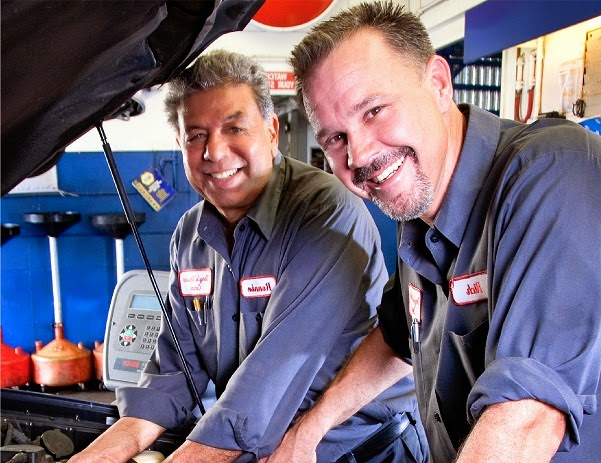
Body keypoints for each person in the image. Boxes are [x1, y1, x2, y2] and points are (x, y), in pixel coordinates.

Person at [264, 2, 601, 462]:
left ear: (439, 84)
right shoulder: (421, 217)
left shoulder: (551, 172)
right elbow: (395, 337)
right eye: (336, 138)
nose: (359, 155)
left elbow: (525, 418)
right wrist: (309, 431)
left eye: (374, 111)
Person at [68, 50, 428, 463]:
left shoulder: (324, 213)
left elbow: (270, 382)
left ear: (272, 132)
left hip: (364, 453)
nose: (215, 151)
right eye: (196, 135)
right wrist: (97, 455)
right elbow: (174, 372)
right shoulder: (190, 237)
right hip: (261, 450)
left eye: (234, 128)